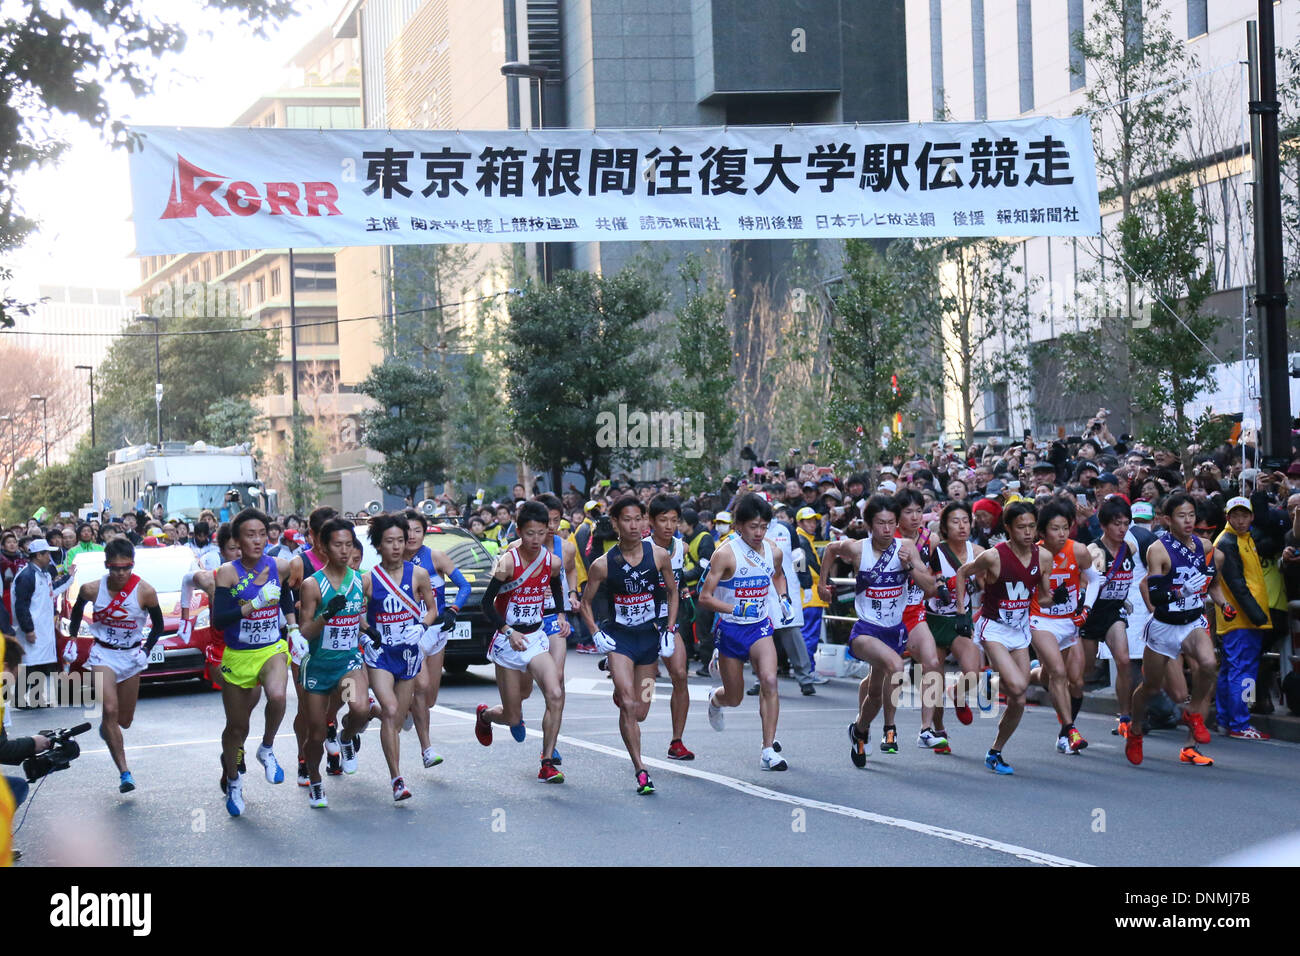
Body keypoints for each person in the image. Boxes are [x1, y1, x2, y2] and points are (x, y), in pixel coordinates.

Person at [818, 495, 938, 767]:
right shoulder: (857, 549)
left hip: (894, 629)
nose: (886, 529)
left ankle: (860, 729)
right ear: (869, 525)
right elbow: (830, 550)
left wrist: (908, 565)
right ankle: (890, 729)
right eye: (880, 523)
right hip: (866, 629)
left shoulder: (906, 547)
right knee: (897, 666)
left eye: (891, 523)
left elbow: (929, 586)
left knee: (874, 693)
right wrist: (822, 585)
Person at [579, 496, 678, 794]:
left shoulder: (659, 555)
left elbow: (673, 592)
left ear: (645, 521)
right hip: (620, 640)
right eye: (627, 519)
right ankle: (641, 769)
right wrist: (596, 632)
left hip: (648, 641)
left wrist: (669, 630)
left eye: (639, 519)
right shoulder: (602, 565)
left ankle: (623, 696)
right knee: (628, 703)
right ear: (615, 523)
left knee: (642, 711)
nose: (634, 525)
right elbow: (585, 603)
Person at [1126, 493, 1230, 767]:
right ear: (1167, 519)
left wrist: (1223, 603)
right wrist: (1181, 591)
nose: (1188, 521)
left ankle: (1193, 717)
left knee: (1208, 664)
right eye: (1181, 516)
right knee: (1150, 687)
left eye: (1191, 515)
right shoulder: (1158, 550)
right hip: (1164, 625)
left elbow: (1213, 583)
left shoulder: (1205, 546)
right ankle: (1135, 730)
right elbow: (1156, 595)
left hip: (1193, 620)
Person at [954, 500, 1055, 775]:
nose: (1027, 532)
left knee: (1019, 697)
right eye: (1021, 527)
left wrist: (1055, 598)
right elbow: (963, 573)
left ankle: (995, 752)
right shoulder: (994, 556)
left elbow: (1044, 598)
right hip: (994, 628)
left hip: (1020, 631)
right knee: (1017, 684)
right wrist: (962, 610)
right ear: (1008, 528)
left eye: (1032, 526)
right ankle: (973, 685)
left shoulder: (1043, 557)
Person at [697, 492, 795, 772]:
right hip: (730, 629)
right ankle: (716, 700)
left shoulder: (773, 550)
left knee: (769, 680)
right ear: (738, 526)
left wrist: (784, 598)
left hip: (760, 626)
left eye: (764, 526)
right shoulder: (725, 554)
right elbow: (704, 597)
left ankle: (768, 749)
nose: (759, 532)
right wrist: (735, 611)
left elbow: (777, 574)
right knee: (735, 697)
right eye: (753, 526)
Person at [211, 508, 299, 815]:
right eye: (250, 535)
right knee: (236, 728)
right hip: (238, 655)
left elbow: (285, 593)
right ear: (237, 539)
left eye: (263, 534)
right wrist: (253, 604)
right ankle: (233, 781)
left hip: (270, 647)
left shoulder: (280, 565)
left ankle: (267, 748)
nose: (258, 540)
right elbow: (219, 620)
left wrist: (294, 627)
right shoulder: (228, 573)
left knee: (277, 695)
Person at [474, 501, 569, 783]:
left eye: (541, 533)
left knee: (555, 693)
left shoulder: (551, 561)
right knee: (513, 717)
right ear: (519, 531)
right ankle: (486, 716)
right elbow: (485, 603)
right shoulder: (506, 563)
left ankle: (547, 761)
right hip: (508, 642)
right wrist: (507, 631)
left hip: (536, 638)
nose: (535, 539)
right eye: (530, 533)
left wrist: (561, 614)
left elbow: (554, 586)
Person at [65, 538, 165, 793]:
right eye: (115, 568)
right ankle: (125, 773)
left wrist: (146, 649)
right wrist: (73, 640)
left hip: (131, 657)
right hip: (103, 655)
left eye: (126, 568)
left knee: (125, 720)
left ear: (132, 565)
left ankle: (108, 729)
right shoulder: (91, 589)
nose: (121, 573)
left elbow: (159, 626)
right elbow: (76, 612)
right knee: (109, 709)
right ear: (107, 565)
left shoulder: (145, 591)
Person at [362, 514, 441, 800]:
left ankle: (372, 721)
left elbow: (432, 609)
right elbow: (358, 616)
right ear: (378, 545)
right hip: (381, 655)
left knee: (396, 717)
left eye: (400, 540)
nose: (396, 546)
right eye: (389, 542)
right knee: (392, 710)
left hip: (408, 655)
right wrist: (367, 634)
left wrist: (421, 626)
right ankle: (397, 778)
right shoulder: (368, 579)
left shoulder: (418, 574)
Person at [297, 517, 371, 808]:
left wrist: (368, 630)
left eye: (348, 544)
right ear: (324, 547)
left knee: (361, 709)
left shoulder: (360, 580)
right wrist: (327, 615)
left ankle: (346, 735)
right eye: (337, 545)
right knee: (315, 733)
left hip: (347, 662)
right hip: (317, 666)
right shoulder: (312, 585)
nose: (344, 550)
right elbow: (304, 633)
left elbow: (357, 618)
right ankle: (315, 780)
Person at [1026, 500, 1096, 755]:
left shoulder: (1078, 551)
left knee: (1075, 681)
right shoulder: (1033, 553)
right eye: (1055, 528)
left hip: (1069, 622)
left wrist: (1085, 607)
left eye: (1065, 527)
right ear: (1042, 532)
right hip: (1040, 620)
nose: (1062, 533)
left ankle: (1030, 674)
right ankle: (1070, 730)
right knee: (1058, 673)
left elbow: (1096, 580)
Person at [403, 509, 471, 769]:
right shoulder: (393, 562)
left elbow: (464, 586)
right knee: (420, 687)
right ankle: (427, 749)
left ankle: (409, 710)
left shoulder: (436, 557)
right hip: (411, 634)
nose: (412, 536)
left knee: (429, 697)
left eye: (417, 530)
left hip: (438, 632)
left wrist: (454, 609)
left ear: (425, 531)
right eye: (407, 531)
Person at [1212, 496, 1273, 740]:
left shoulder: (1241, 539)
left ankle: (1226, 719)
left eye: (1244, 515)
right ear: (1227, 517)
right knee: (1244, 671)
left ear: (1251, 516)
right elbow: (1237, 585)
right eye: (1235, 515)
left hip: (1239, 618)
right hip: (1242, 618)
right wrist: (1258, 616)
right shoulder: (1228, 542)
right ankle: (1240, 723)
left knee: (1231, 669)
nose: (1240, 520)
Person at [925, 501, 984, 746]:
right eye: (955, 521)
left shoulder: (978, 552)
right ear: (944, 527)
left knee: (973, 672)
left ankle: (958, 694)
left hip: (960, 622)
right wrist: (937, 588)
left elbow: (986, 585)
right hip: (932, 621)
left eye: (965, 521)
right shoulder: (934, 552)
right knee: (934, 681)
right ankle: (939, 731)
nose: (962, 526)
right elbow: (922, 587)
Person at [1082, 497, 1140, 738]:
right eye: (1117, 524)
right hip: (1091, 612)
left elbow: (1124, 579)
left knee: (1124, 661)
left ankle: (1124, 717)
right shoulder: (1093, 551)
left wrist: (1123, 598)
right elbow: (1085, 582)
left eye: (1126, 523)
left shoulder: (1131, 548)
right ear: (1104, 525)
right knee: (1082, 672)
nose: (1122, 529)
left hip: (1114, 611)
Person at [646, 494, 694, 760]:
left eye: (674, 520)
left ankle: (677, 742)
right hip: (642, 623)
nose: (668, 525)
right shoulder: (638, 547)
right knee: (643, 698)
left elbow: (677, 584)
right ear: (651, 521)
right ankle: (624, 686)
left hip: (669, 621)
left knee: (680, 674)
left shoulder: (681, 548)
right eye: (663, 520)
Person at [11, 540, 72, 708]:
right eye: (47, 554)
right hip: (33, 629)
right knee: (31, 664)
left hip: (43, 628)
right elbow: (21, 605)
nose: (49, 557)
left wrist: (70, 576)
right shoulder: (26, 576)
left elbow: (52, 592)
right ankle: (20, 699)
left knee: (40, 663)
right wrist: (28, 629)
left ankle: (36, 698)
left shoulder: (43, 574)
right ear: (38, 555)